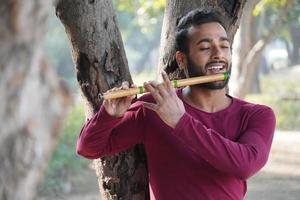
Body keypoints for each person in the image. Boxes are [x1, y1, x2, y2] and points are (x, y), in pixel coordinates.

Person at [77, 8, 276, 200]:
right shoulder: (155, 107)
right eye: (205, 47)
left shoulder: (257, 115)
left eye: (224, 46)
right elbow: (88, 148)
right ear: (181, 60)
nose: (218, 54)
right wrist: (108, 115)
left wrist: (181, 122)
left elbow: (245, 165)